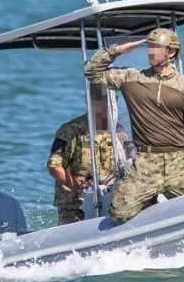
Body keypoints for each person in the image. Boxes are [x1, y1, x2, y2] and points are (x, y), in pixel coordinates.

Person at [84, 27, 184, 224]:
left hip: (180, 161)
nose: (151, 52)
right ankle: (150, 206)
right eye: (149, 47)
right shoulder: (132, 78)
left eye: (156, 48)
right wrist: (117, 51)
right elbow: (91, 72)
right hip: (145, 162)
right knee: (119, 213)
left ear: (171, 52)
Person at [46, 86, 130, 225]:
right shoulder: (70, 130)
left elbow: (126, 162)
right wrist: (79, 186)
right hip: (75, 205)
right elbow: (54, 166)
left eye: (112, 101)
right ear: (91, 103)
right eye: (101, 102)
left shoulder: (118, 131)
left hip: (108, 199)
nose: (106, 106)